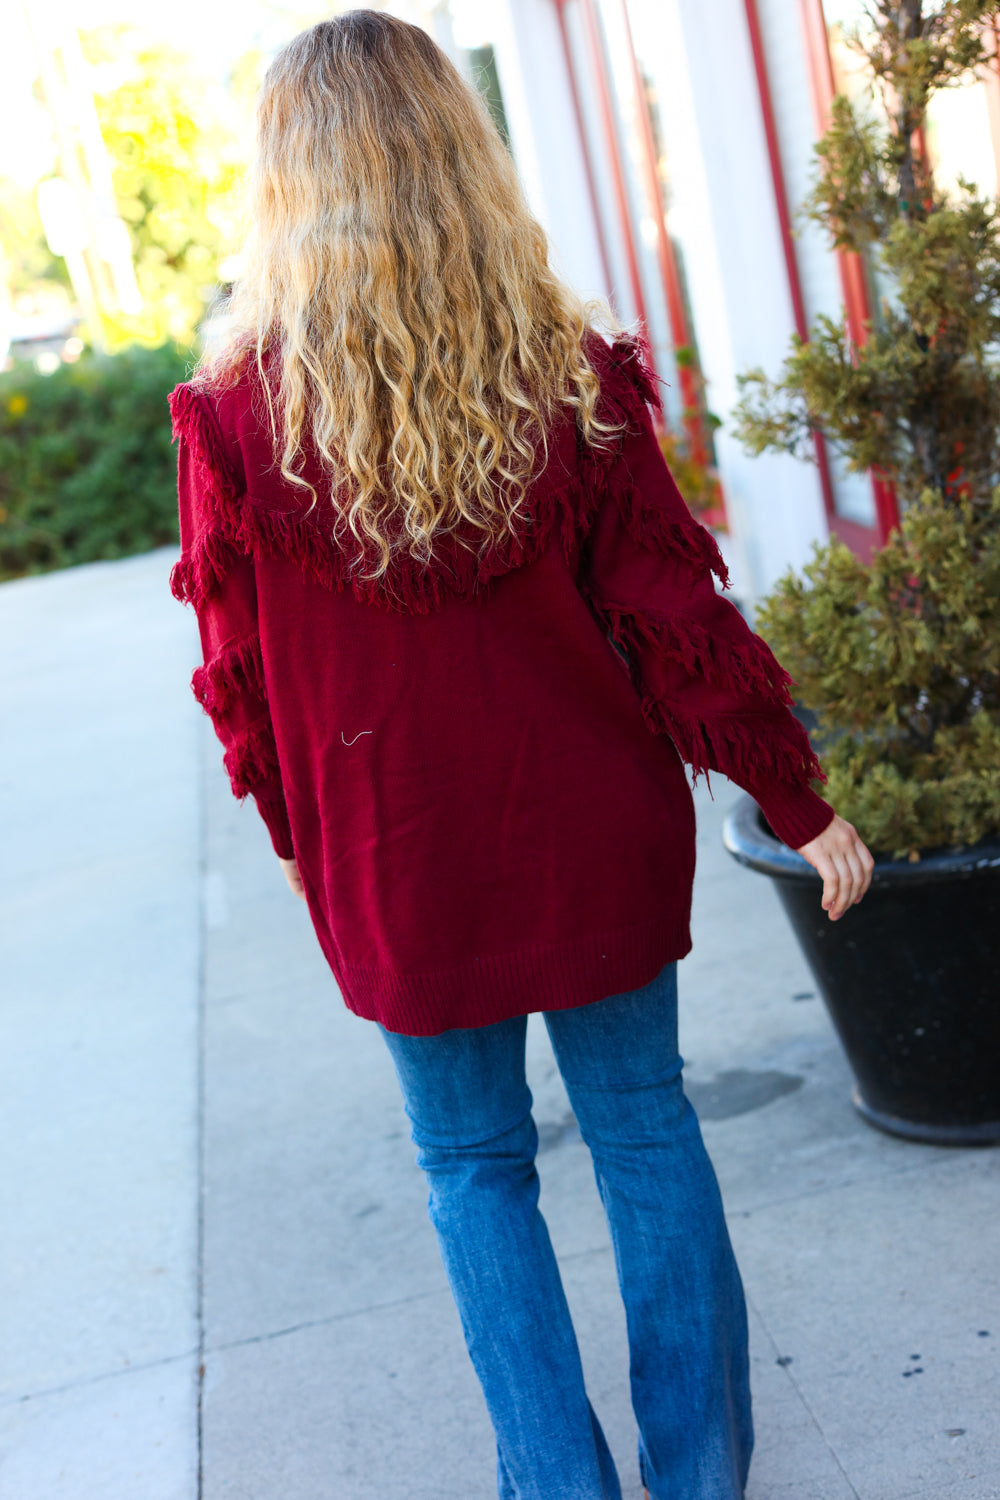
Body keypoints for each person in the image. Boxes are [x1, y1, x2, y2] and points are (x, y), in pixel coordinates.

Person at [169, 12, 874, 1498]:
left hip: (399, 852)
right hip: (588, 825)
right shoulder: (561, 374)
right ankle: (698, 1479)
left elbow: (235, 681)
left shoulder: (233, 418)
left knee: (473, 1170)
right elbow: (673, 603)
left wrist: (312, 839)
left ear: (285, 184)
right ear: (459, 158)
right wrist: (792, 793)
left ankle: (557, 1484)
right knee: (642, 1129)